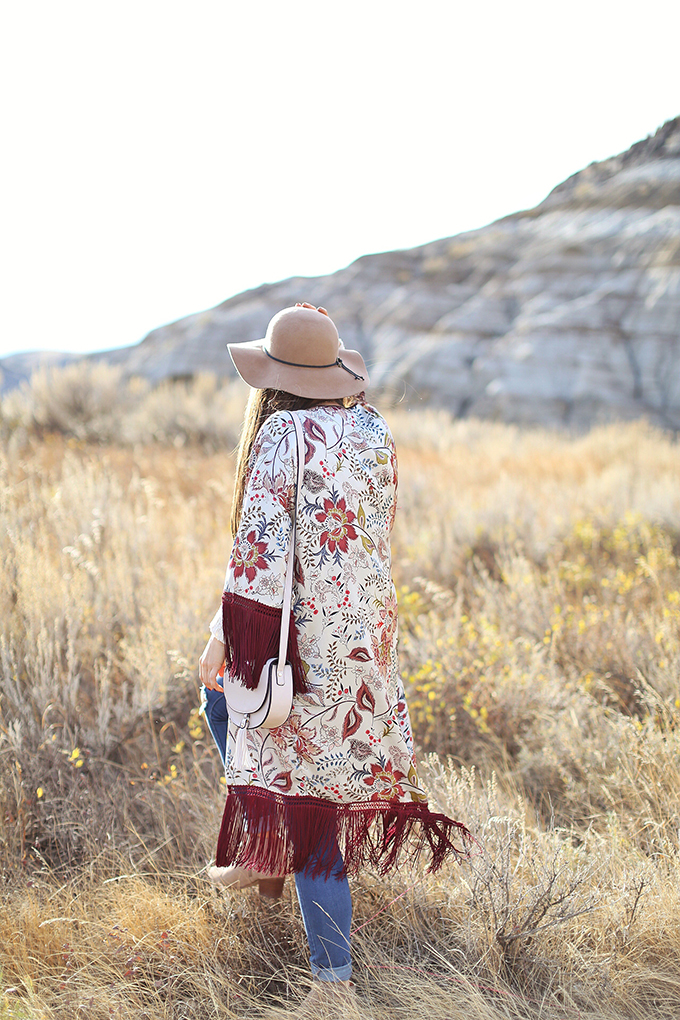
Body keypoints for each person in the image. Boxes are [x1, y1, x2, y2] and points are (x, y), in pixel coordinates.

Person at [198, 303, 472, 1011]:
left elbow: (258, 554)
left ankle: (333, 986)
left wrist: (225, 635)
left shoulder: (280, 435)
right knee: (305, 777)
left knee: (308, 804)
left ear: (276, 380)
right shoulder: (373, 429)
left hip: (300, 647)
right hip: (363, 641)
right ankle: (268, 851)